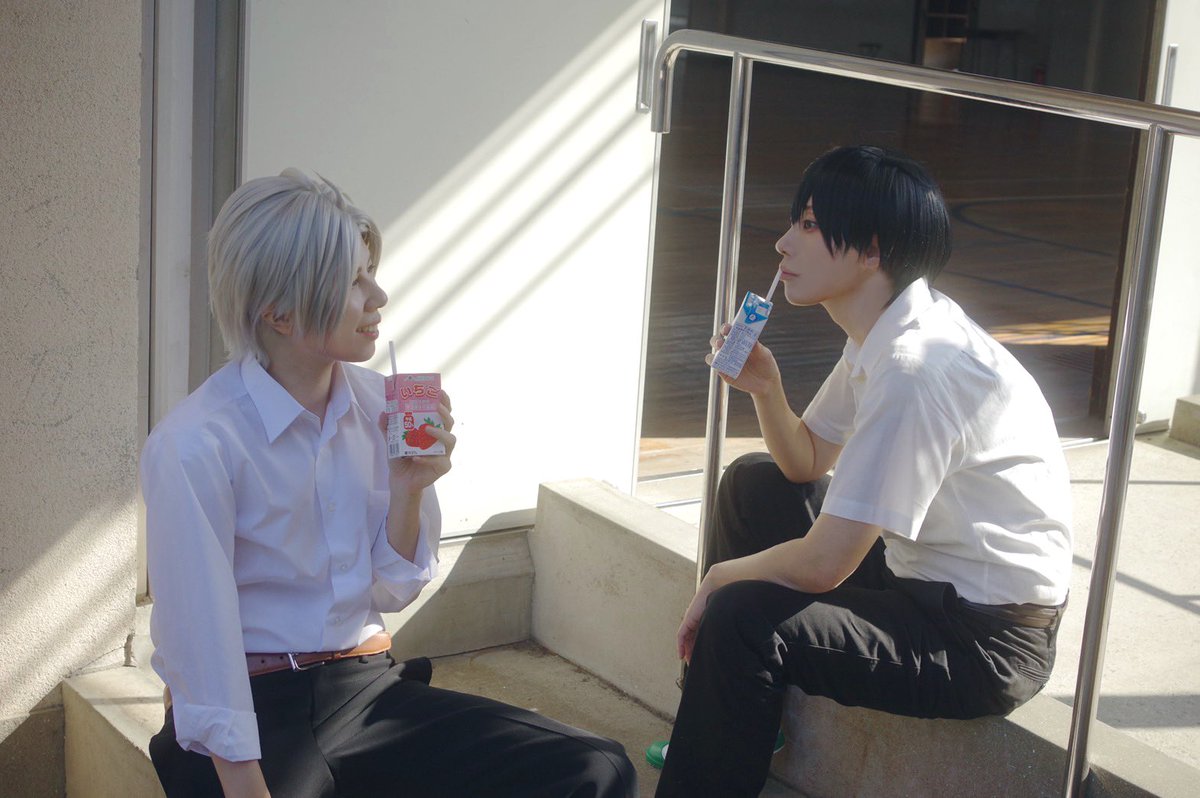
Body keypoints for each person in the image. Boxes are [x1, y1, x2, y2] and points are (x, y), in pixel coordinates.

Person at [141, 169, 637, 798]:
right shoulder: (195, 444)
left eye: (370, 273)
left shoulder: (380, 407)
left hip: (365, 691)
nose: (378, 296)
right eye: (353, 280)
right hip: (254, 708)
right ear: (279, 310)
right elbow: (198, 646)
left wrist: (409, 489)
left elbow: (392, 590)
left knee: (595, 767)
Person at [654, 145, 1073, 797]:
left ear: (871, 250)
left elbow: (825, 565)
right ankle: (730, 720)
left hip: (980, 640)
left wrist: (719, 576)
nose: (784, 242)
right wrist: (767, 390)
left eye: (810, 225)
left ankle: (709, 759)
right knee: (754, 484)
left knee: (739, 613)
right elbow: (805, 462)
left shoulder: (915, 367)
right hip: (922, 579)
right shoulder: (887, 330)